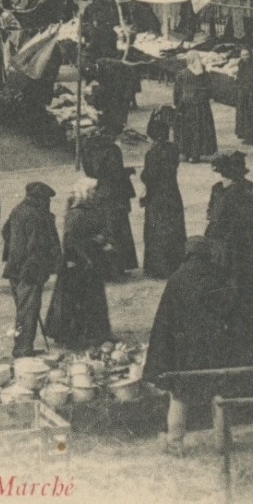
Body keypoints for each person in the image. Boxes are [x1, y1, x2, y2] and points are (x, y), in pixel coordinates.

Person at [145, 235, 253, 453]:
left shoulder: (177, 279)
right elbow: (232, 311)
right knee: (219, 395)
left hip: (186, 352)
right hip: (215, 349)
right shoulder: (218, 277)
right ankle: (223, 442)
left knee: (180, 396)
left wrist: (161, 356)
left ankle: (175, 443)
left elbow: (165, 320)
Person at [44, 180, 115, 351]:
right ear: (83, 192)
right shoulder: (77, 213)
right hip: (80, 263)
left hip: (91, 261)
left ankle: (96, 334)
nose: (94, 193)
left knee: (93, 299)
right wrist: (94, 241)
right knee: (79, 301)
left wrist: (102, 239)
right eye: (91, 191)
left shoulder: (90, 208)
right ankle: (76, 337)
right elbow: (70, 241)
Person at [2, 182, 61, 358]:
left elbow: (5, 232)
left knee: (22, 310)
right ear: (41, 199)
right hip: (30, 270)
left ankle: (23, 347)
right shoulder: (37, 216)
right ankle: (22, 350)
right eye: (47, 200)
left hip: (14, 268)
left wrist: (14, 251)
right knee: (28, 311)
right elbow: (37, 246)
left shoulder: (17, 209)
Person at [204, 151, 253, 315]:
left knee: (230, 276)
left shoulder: (222, 191)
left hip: (227, 241)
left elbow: (213, 216)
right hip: (246, 240)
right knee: (246, 277)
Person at [81, 128, 138, 277]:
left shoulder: (87, 149)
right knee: (118, 230)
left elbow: (90, 172)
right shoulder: (113, 150)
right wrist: (128, 172)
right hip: (115, 194)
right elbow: (116, 173)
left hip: (98, 192)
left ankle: (104, 269)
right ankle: (117, 268)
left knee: (103, 230)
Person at [140, 110, 187, 279]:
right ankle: (175, 263)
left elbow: (149, 176)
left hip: (157, 196)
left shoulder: (152, 154)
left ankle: (159, 267)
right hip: (172, 193)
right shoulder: (173, 149)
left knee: (157, 230)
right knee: (174, 228)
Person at [172, 53, 217, 163]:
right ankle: (196, 154)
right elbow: (210, 89)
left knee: (186, 129)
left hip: (186, 105)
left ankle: (186, 153)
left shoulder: (182, 73)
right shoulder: (204, 74)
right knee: (199, 129)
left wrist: (176, 103)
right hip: (201, 107)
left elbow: (177, 91)